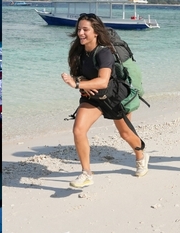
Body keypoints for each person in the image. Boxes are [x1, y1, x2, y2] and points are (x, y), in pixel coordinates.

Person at [60, 13, 149, 188]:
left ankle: (141, 157)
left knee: (125, 134)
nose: (81, 33)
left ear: (96, 32)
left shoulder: (104, 53)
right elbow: (79, 74)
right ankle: (86, 173)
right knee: (78, 130)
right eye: (79, 29)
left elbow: (103, 81)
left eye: (85, 29)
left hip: (113, 98)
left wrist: (77, 84)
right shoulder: (78, 51)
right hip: (93, 98)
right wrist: (79, 82)